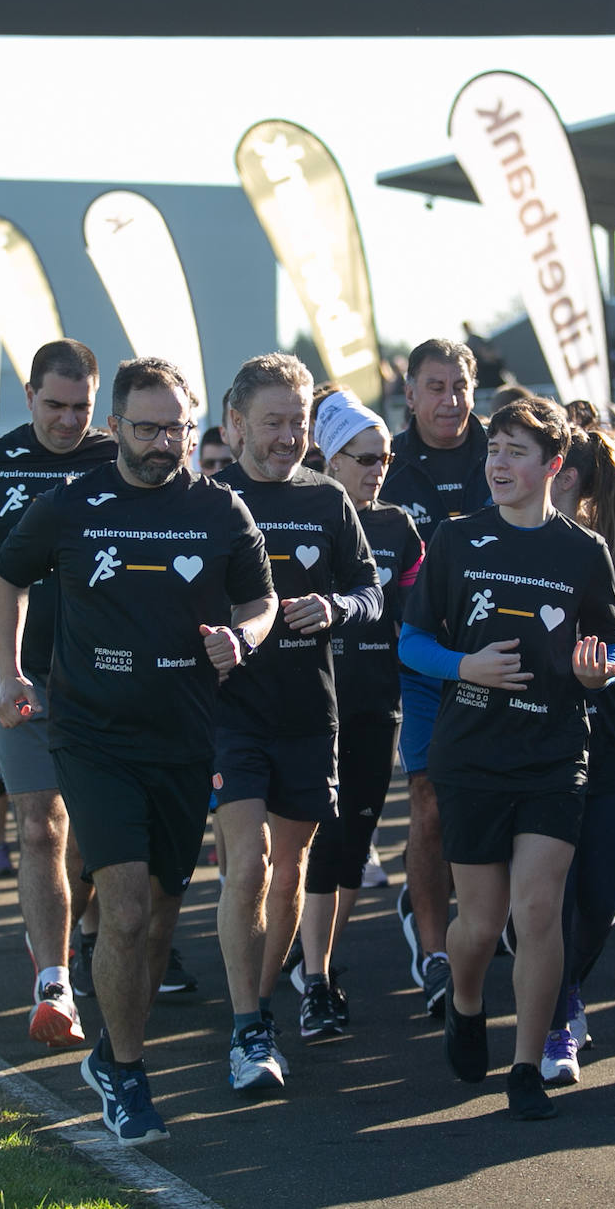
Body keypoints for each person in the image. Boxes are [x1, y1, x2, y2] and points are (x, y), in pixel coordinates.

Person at [0, 356, 276, 1145]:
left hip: (183, 736)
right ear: (114, 426)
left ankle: (114, 1058)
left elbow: (261, 598)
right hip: (91, 733)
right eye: (146, 428)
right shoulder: (71, 504)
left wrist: (241, 639)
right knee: (121, 908)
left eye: (176, 428)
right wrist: (13, 671)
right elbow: (6, 578)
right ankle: (131, 1075)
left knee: (155, 921)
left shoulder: (221, 511)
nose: (162, 443)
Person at [399, 395, 615, 1121]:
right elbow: (409, 643)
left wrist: (604, 670)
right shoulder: (456, 539)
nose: (498, 463)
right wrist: (464, 667)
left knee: (537, 912)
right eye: (492, 449)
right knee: (480, 921)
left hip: (554, 754)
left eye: (514, 452)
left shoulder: (581, 550)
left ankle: (526, 1065)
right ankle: (465, 1001)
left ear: (552, 468)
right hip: (470, 754)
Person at [0, 339, 117, 1048]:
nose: (68, 422)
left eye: (81, 408)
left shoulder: (112, 459)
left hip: (104, 672)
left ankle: (77, 933)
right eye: (54, 406)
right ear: (29, 395)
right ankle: (54, 983)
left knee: (94, 836)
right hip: (9, 670)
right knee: (40, 823)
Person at [212, 353, 381, 1091]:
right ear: (236, 423)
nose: (288, 436)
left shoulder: (326, 499)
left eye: (299, 421)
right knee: (245, 866)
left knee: (287, 878)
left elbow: (369, 588)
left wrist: (335, 608)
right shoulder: (210, 501)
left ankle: (263, 1001)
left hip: (310, 714)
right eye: (273, 421)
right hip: (231, 715)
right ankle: (247, 1024)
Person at [291, 389, 423, 1037]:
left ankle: (318, 962)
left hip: (377, 708)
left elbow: (417, 613)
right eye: (364, 457)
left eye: (384, 457)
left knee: (351, 850)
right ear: (330, 457)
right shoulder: (305, 512)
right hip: (310, 710)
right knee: (320, 847)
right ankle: (313, 978)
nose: (377, 469)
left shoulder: (399, 527)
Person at [540, 426, 615, 1084]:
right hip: (541, 739)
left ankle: (564, 980)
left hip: (610, 733)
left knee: (604, 894)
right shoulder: (513, 544)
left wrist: (614, 655)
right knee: (552, 891)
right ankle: (558, 1017)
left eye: (562, 476)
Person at [379, 339, 489, 1018]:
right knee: (428, 805)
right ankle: (432, 950)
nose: (448, 400)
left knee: (483, 808)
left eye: (459, 386)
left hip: (502, 662)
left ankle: (471, 917)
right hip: (420, 662)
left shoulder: (505, 452)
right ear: (410, 394)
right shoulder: (383, 464)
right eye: (434, 387)